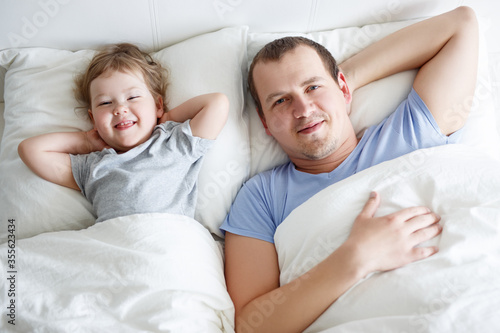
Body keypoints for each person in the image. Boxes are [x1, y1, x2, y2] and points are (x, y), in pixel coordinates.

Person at [221, 6, 478, 333]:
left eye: (312, 87)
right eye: (280, 101)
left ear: (343, 89)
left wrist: (345, 81)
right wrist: (356, 257)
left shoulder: (410, 132)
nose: (303, 110)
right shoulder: (260, 198)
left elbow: (461, 24)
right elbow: (250, 324)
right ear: (265, 124)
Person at [18, 43, 229, 223]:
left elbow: (217, 103)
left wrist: (166, 117)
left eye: (133, 98)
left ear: (157, 104)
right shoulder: (92, 166)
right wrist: (85, 141)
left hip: (166, 240)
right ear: (93, 119)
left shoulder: (173, 143)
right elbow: (29, 150)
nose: (119, 109)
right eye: (105, 102)